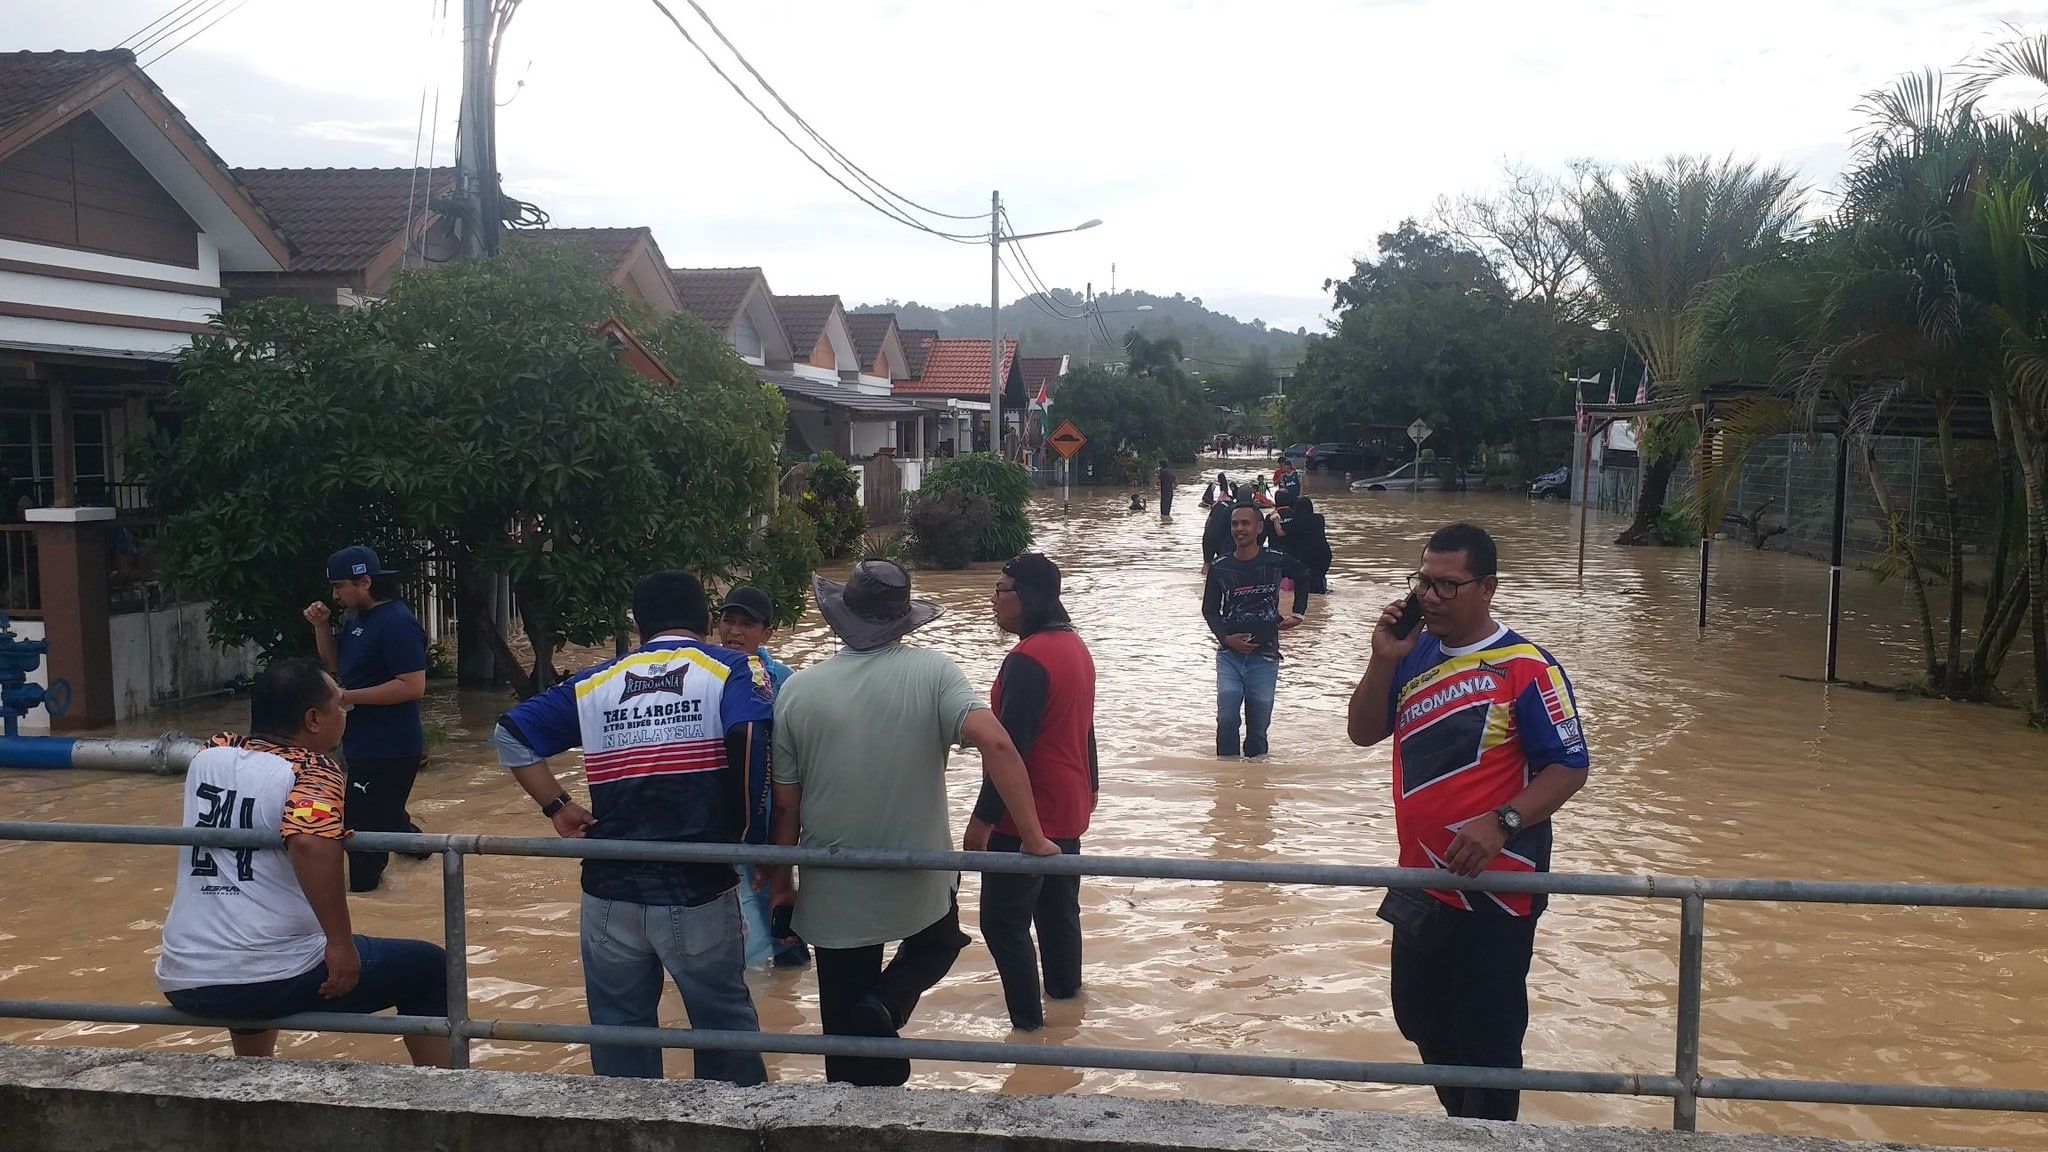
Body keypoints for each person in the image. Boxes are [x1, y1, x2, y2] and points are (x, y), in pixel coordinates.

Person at [769, 560, 1059, 1086]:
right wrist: (1035, 838)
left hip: (833, 881)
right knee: (940, 941)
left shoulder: (797, 691)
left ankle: (855, 1098)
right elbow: (996, 743)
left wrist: (781, 884)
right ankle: (888, 1004)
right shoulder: (935, 673)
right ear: (902, 620)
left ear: (841, 617)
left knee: (843, 1031)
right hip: (919, 876)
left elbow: (786, 806)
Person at [1343, 523, 1590, 1122]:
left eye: (1447, 586)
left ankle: (1486, 1133)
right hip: (1420, 882)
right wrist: (1383, 660)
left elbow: (1568, 768)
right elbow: (1362, 732)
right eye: (1424, 581)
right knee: (1419, 1017)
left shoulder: (1526, 668)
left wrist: (1502, 821)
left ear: (1488, 588)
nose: (1429, 597)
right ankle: (1463, 1123)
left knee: (1490, 1040)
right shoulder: (1412, 653)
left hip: (1496, 891)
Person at [491, 570, 771, 1084]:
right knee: (724, 1032)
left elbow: (509, 734)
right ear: (706, 621)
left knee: (621, 1041)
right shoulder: (729, 668)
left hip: (607, 894)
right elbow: (751, 732)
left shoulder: (594, 682)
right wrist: (753, 839)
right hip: (698, 887)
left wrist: (557, 805)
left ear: (638, 626)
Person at [155, 658, 450, 1067]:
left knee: (258, 947)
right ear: (313, 719)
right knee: (432, 969)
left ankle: (254, 1078)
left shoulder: (212, 752)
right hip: (266, 979)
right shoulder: (314, 770)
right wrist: (341, 945)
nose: (344, 717)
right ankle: (445, 1098)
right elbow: (311, 846)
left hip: (184, 974)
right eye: (340, 709)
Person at [965, 554, 1098, 1031]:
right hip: (1069, 804)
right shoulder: (1075, 647)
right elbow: (1086, 729)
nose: (994, 601)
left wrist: (983, 818)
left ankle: (1029, 1030)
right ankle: (1067, 1001)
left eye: (1001, 591)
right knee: (1058, 910)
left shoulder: (1027, 659)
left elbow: (1009, 747)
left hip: (1026, 816)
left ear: (1026, 597)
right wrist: (1092, 788)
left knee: (1002, 923)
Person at [303, 546, 428, 893]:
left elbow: (413, 686)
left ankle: (365, 898)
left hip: (390, 746)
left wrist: (346, 698)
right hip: (365, 742)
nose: (335, 595)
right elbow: (335, 665)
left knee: (360, 834)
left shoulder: (397, 623)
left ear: (365, 582)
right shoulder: (359, 619)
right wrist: (322, 626)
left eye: (339, 586)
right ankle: (423, 853)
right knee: (384, 816)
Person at [715, 584, 808, 970]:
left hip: (775, 818)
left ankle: (782, 1011)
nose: (734, 632)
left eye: (747, 624)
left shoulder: (786, 682)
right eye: (728, 621)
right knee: (734, 922)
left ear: (768, 633)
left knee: (782, 923)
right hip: (723, 820)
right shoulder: (707, 675)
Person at [1202, 505, 1307, 759]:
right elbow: (1210, 610)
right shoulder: (1221, 566)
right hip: (1229, 655)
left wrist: (1298, 614)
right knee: (1227, 719)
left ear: (1259, 528)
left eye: (1246, 523)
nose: (1240, 529)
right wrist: (1226, 639)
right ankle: (1225, 782)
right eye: (1235, 524)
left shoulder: (1275, 559)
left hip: (1265, 655)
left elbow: (1304, 575)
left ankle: (1257, 783)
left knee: (1258, 727)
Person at [1290, 495, 1333, 594]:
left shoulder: (1296, 522)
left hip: (1307, 555)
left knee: (1311, 586)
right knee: (1320, 577)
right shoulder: (1319, 518)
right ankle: (1322, 592)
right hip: (1324, 554)